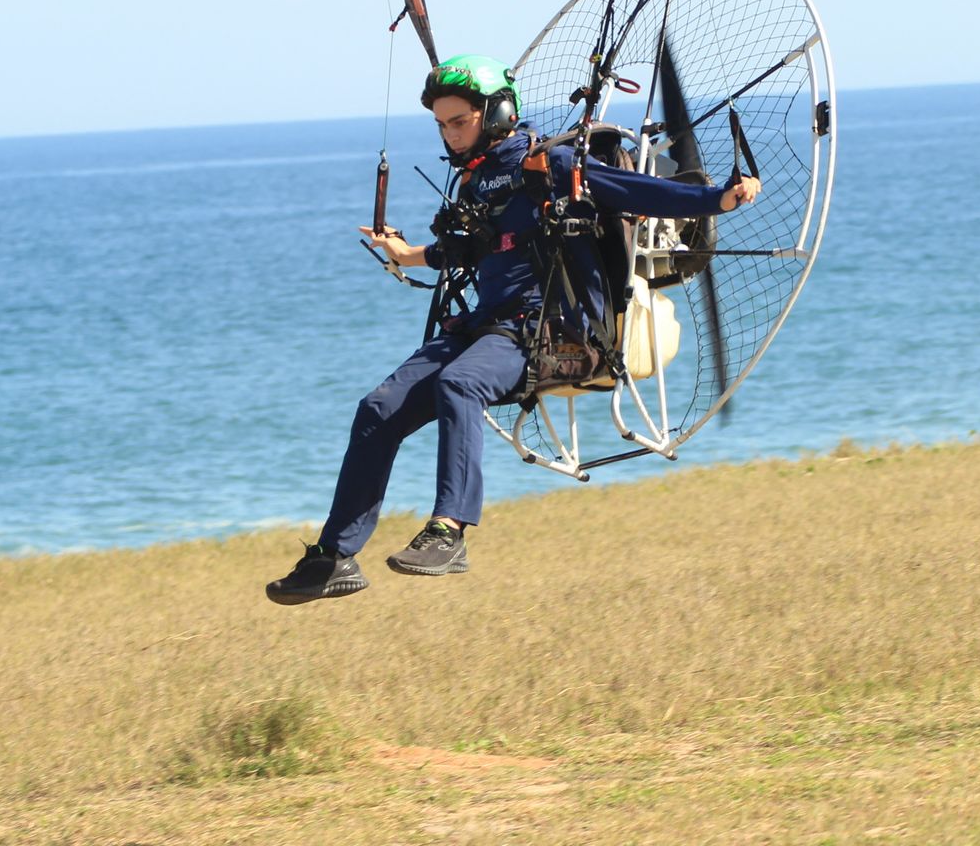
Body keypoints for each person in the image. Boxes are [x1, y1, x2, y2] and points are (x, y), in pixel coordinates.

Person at [266, 54, 760, 603]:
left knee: (461, 385)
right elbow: (463, 248)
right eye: (442, 125)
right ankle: (334, 557)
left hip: (554, 334)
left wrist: (715, 199)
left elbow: (632, 190)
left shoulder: (546, 163)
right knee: (377, 409)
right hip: (488, 327)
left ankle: (449, 532)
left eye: (460, 122)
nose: (451, 136)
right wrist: (406, 254)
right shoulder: (477, 183)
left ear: (496, 111)